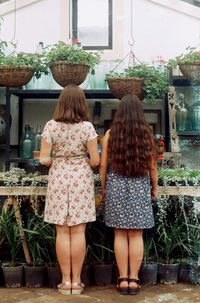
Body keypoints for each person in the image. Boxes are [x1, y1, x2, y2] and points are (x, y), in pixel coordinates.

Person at [40, 84, 100, 295]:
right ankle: (77, 281)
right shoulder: (87, 128)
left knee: (62, 231)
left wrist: (59, 159)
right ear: (81, 103)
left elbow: (44, 159)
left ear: (61, 102)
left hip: (58, 178)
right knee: (78, 231)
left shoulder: (50, 126)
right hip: (81, 180)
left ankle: (65, 282)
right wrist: (78, 159)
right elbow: (95, 161)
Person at [99, 94, 158, 295]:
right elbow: (152, 167)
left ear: (120, 113)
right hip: (140, 187)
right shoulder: (146, 134)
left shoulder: (110, 135)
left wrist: (105, 188)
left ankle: (122, 278)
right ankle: (134, 279)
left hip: (116, 185)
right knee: (136, 234)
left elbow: (103, 166)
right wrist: (154, 188)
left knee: (120, 233)